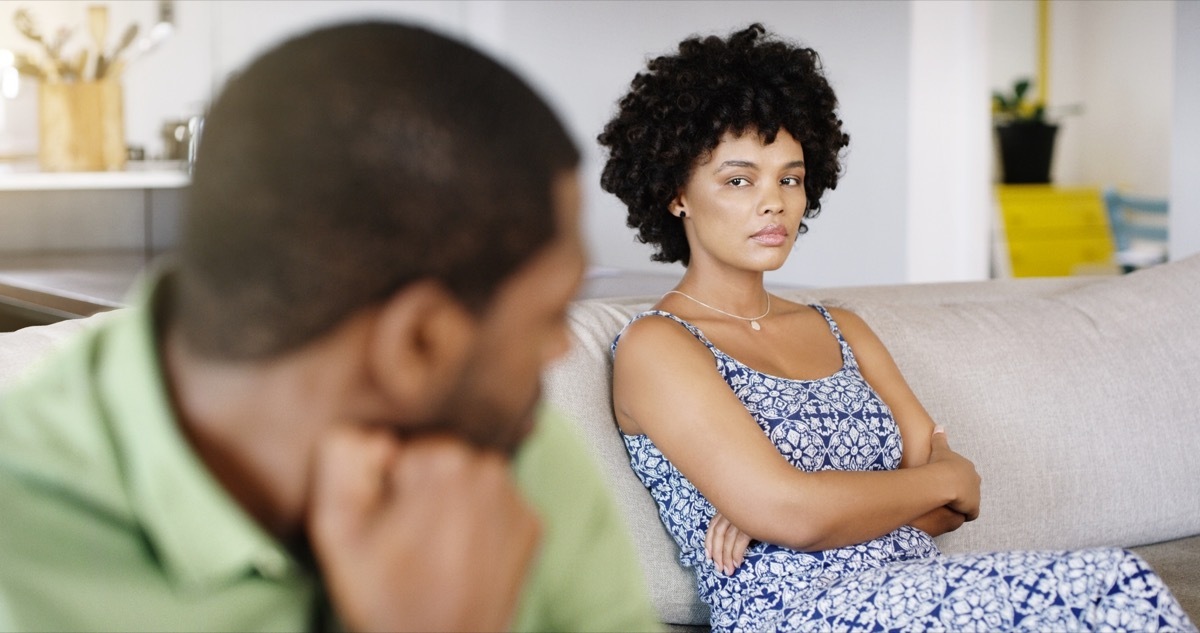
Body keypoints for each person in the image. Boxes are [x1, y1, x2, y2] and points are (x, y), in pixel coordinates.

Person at [0, 22, 661, 632]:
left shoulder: (514, 444)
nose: (562, 349)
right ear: (418, 340)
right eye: (548, 315)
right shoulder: (21, 556)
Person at [600, 23, 1195, 633]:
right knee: (1109, 584)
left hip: (917, 587)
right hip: (803, 614)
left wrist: (818, 505)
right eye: (738, 179)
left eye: (791, 177)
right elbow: (817, 509)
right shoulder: (660, 344)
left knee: (1109, 584)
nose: (773, 201)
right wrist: (931, 477)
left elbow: (954, 509)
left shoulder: (843, 329)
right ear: (677, 194)